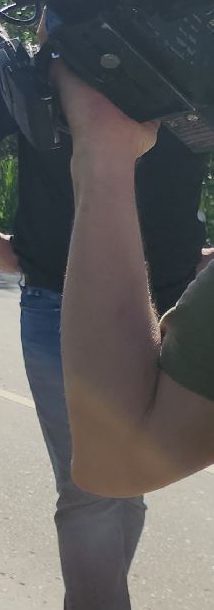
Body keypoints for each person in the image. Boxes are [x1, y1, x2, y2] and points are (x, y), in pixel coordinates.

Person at [0, 33, 207, 610]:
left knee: (126, 490)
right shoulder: (40, 73)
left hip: (177, 302)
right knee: (100, 491)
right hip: (59, 306)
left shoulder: (188, 58)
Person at [55, 60, 214, 499]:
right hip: (73, 296)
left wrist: (102, 145)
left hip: (131, 301)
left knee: (99, 508)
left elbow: (116, 461)